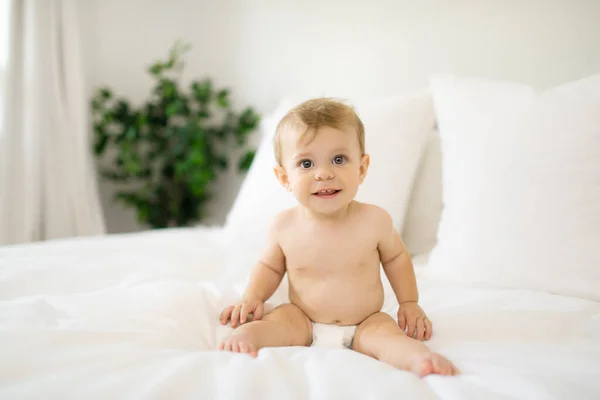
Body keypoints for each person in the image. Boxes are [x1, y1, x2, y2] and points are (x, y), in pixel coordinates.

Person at [218, 98, 458, 377]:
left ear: (362, 168)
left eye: (339, 159)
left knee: (388, 337)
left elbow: (396, 259)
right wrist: (252, 297)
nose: (324, 173)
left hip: (365, 321)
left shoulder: (375, 220)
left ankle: (419, 360)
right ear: (284, 178)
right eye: (306, 163)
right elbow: (269, 267)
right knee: (277, 321)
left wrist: (409, 303)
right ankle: (247, 339)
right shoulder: (283, 226)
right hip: (303, 318)